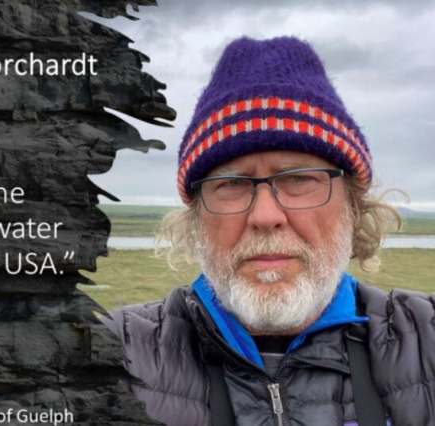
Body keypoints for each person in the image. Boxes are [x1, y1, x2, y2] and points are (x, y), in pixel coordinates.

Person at [101, 36, 435, 426]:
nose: (264, 214)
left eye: (299, 179)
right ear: (196, 216)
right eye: (231, 184)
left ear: (352, 204)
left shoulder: (424, 342)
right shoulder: (113, 354)